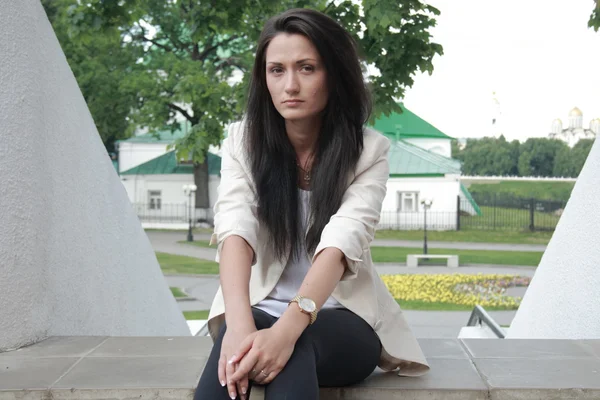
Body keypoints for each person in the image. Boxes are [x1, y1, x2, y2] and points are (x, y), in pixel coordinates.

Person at [193, 8, 429, 400]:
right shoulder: (242, 143)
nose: (290, 85)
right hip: (256, 308)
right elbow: (235, 230)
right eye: (276, 70)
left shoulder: (368, 151)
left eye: (306, 68)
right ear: (263, 78)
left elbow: (341, 244)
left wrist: (285, 331)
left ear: (334, 75)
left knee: (293, 346)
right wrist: (237, 327)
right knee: (235, 354)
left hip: (343, 320)